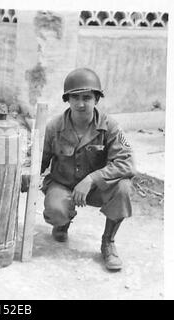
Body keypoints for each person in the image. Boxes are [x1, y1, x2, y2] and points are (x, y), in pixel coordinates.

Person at [21, 68, 136, 271]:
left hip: (95, 188)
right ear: (67, 99)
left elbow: (126, 164)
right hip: (63, 184)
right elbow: (37, 160)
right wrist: (21, 178)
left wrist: (92, 178)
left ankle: (108, 242)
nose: (81, 104)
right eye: (75, 97)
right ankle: (62, 222)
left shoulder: (110, 127)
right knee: (56, 211)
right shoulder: (53, 127)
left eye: (87, 97)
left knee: (123, 188)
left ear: (96, 99)